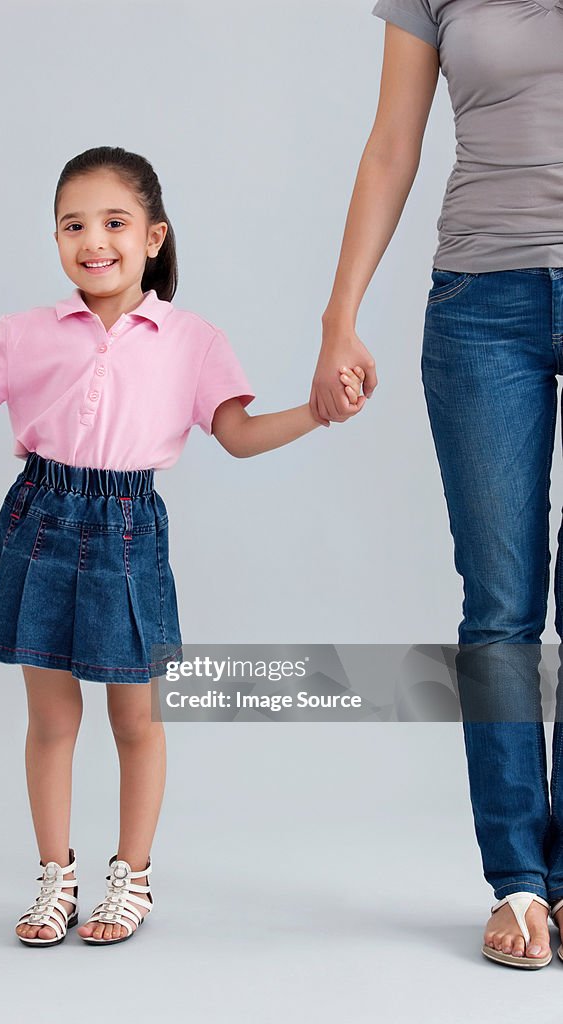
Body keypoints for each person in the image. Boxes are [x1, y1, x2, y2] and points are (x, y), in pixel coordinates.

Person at [0, 145, 364, 949]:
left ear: (153, 237)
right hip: (39, 519)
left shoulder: (191, 338)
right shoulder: (28, 332)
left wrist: (316, 413)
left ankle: (133, 876)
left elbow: (236, 434)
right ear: (56, 240)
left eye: (114, 222)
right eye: (73, 225)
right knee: (51, 718)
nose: (94, 240)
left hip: (128, 528)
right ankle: (55, 879)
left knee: (134, 717)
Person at [310, 1, 563, 969]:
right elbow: (388, 144)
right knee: (498, 605)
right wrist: (339, 315)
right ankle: (516, 884)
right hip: (478, 306)